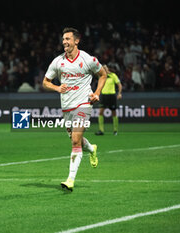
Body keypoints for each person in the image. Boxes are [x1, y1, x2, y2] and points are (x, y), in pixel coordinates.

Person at [42, 27, 107, 191]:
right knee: (74, 139)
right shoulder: (58, 61)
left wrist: (97, 93)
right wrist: (57, 88)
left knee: (75, 141)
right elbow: (45, 82)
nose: (64, 42)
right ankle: (92, 148)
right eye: (63, 39)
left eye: (68, 39)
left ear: (76, 41)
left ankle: (70, 180)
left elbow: (103, 74)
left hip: (83, 104)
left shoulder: (87, 59)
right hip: (66, 106)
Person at [95, 65, 122, 136]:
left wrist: (119, 93)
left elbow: (119, 85)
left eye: (105, 68)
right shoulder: (101, 76)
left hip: (111, 96)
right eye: (103, 68)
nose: (104, 69)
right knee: (100, 112)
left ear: (107, 68)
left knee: (114, 113)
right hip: (104, 96)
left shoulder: (113, 75)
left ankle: (115, 130)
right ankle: (101, 130)